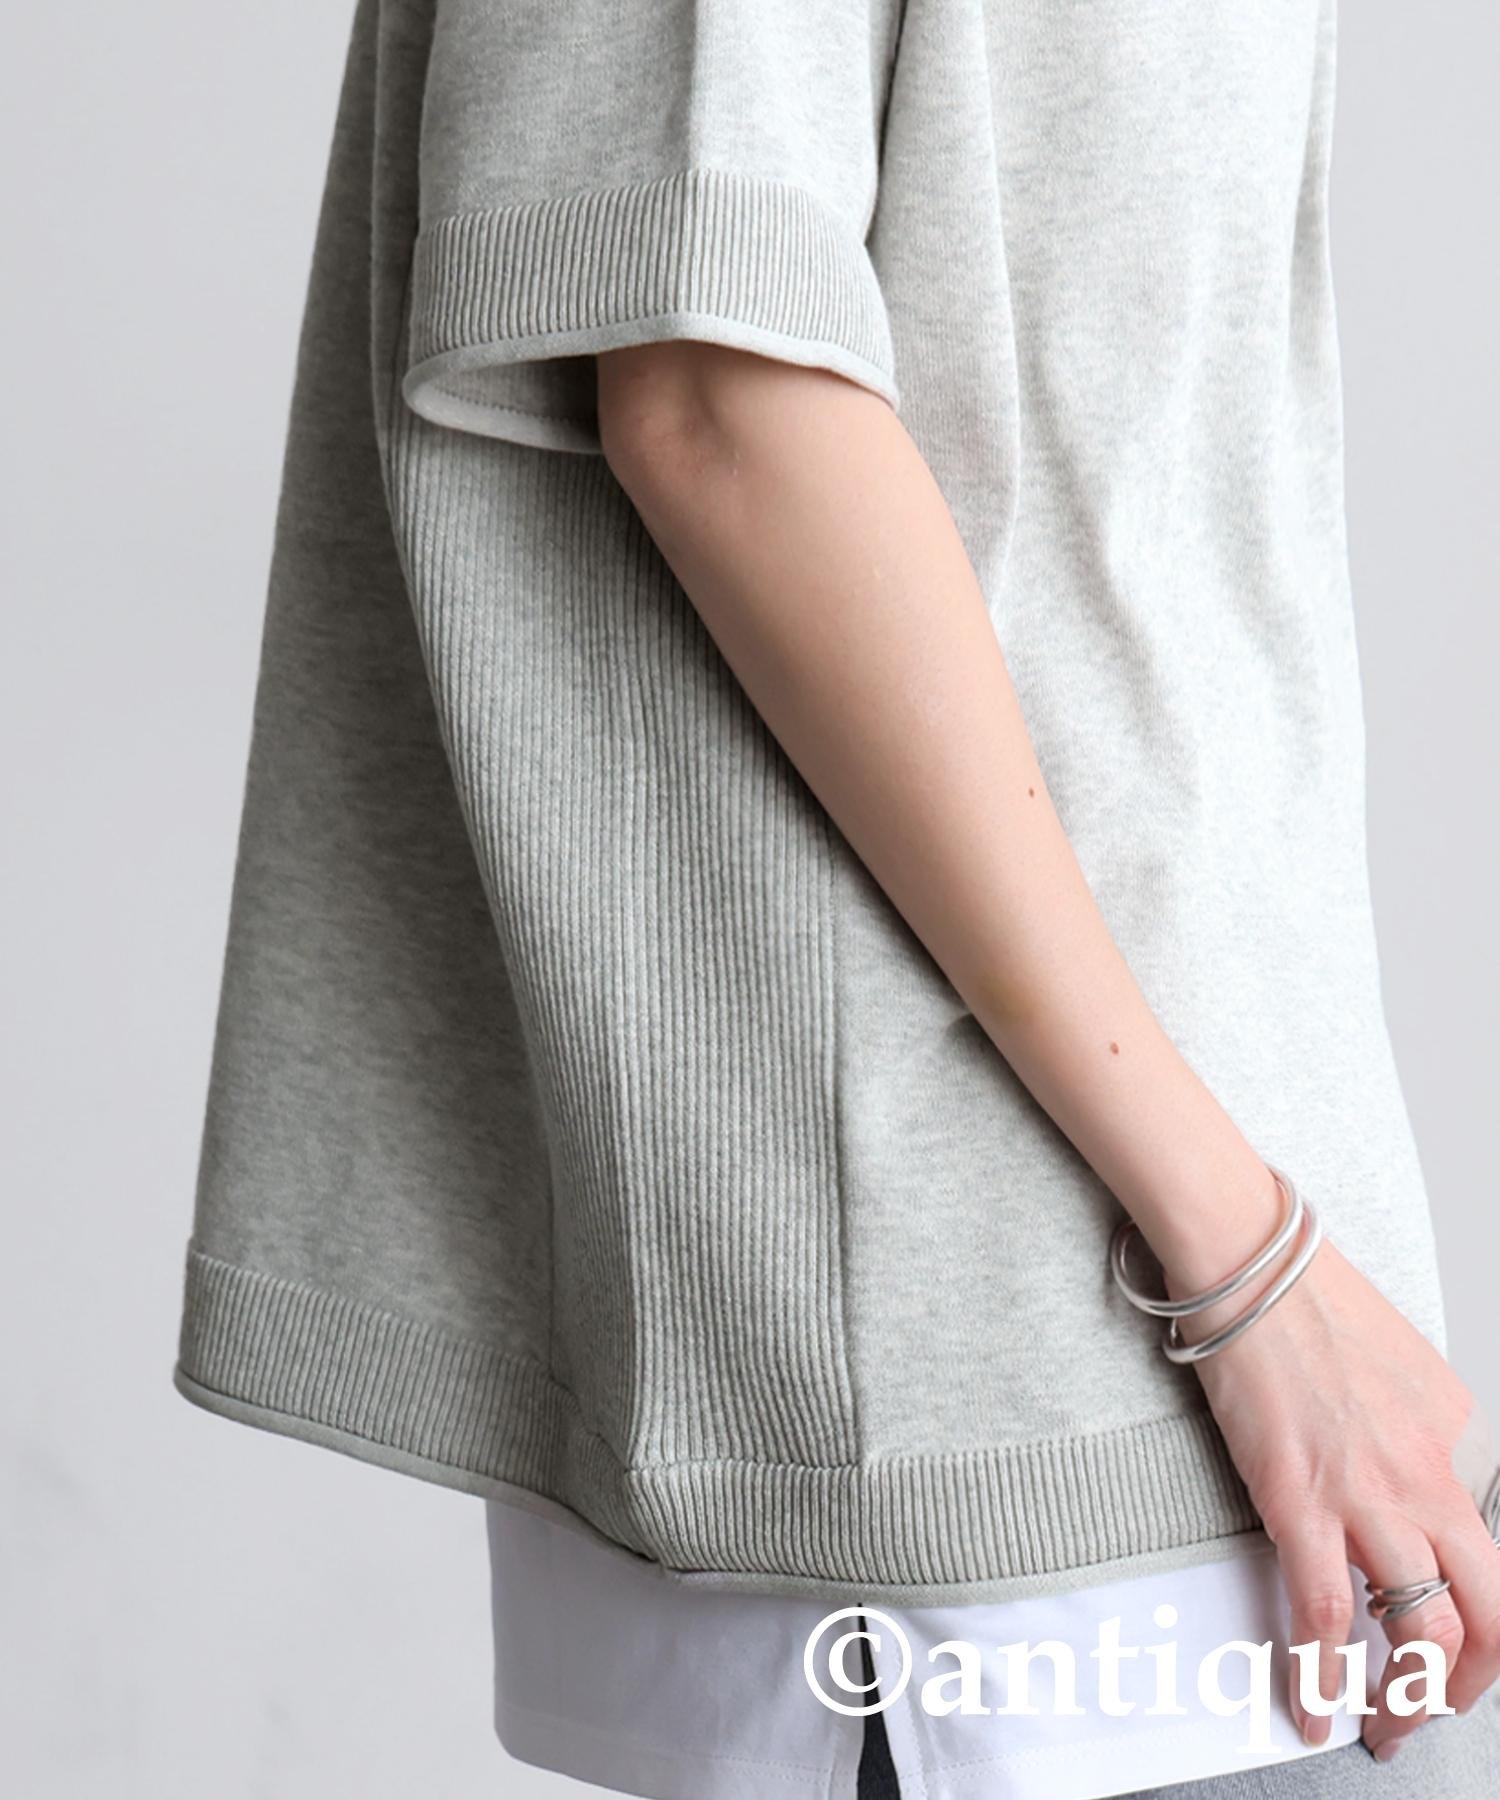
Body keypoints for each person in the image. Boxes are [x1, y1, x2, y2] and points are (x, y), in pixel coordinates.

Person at [173, 1, 1500, 1795]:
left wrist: (1297, 1270)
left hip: (1239, 1381)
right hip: (999, 1430)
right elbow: (715, 396)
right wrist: (1249, 1268)